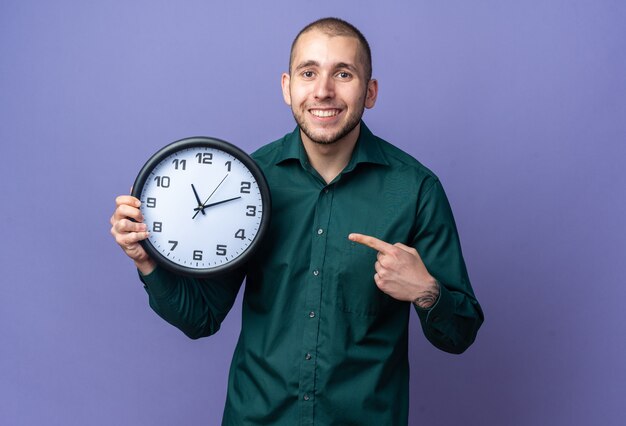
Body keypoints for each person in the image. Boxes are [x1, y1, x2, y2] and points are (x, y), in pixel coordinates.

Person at [110, 17, 483, 425]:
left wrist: (426, 291)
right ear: (288, 87)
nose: (324, 90)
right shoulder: (246, 182)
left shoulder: (415, 190)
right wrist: (144, 259)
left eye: (344, 73)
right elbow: (201, 319)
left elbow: (459, 335)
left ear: (370, 92)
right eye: (309, 73)